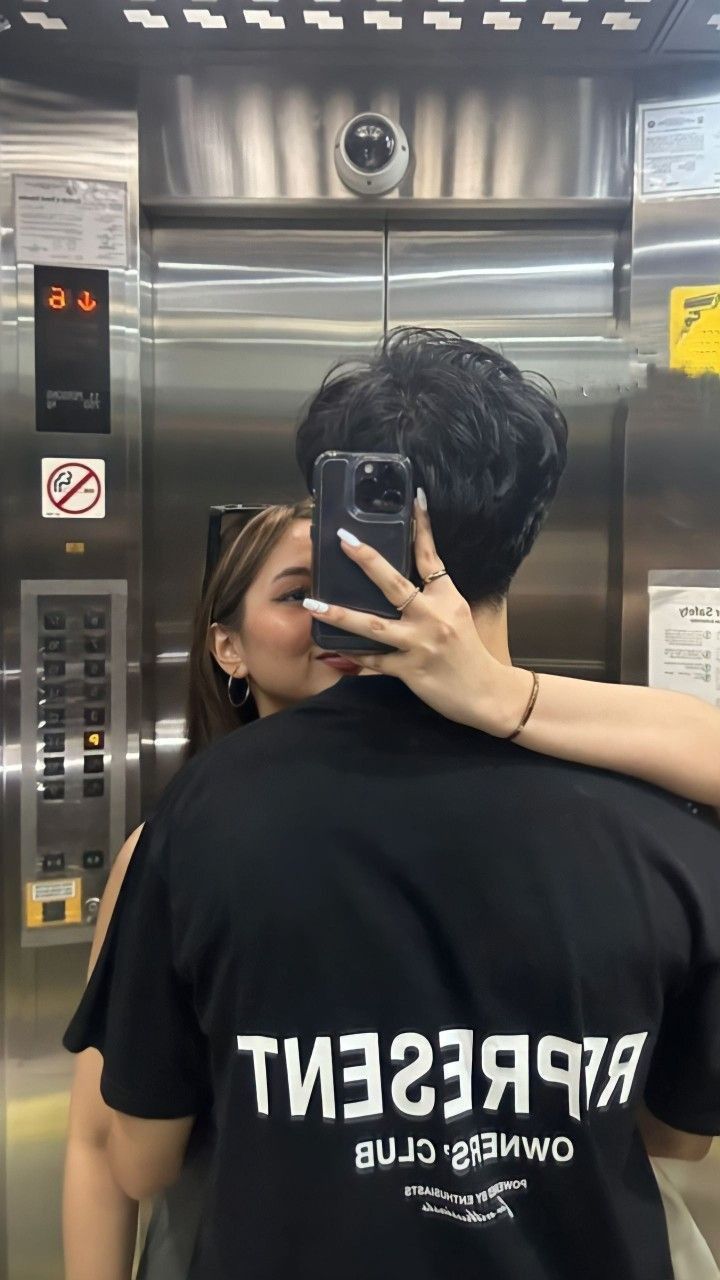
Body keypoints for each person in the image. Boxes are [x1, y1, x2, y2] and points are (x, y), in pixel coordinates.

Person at [63, 330, 720, 1280]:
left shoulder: (204, 816)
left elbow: (140, 1156)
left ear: (347, 529)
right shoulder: (667, 815)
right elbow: (676, 1138)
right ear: (525, 534)